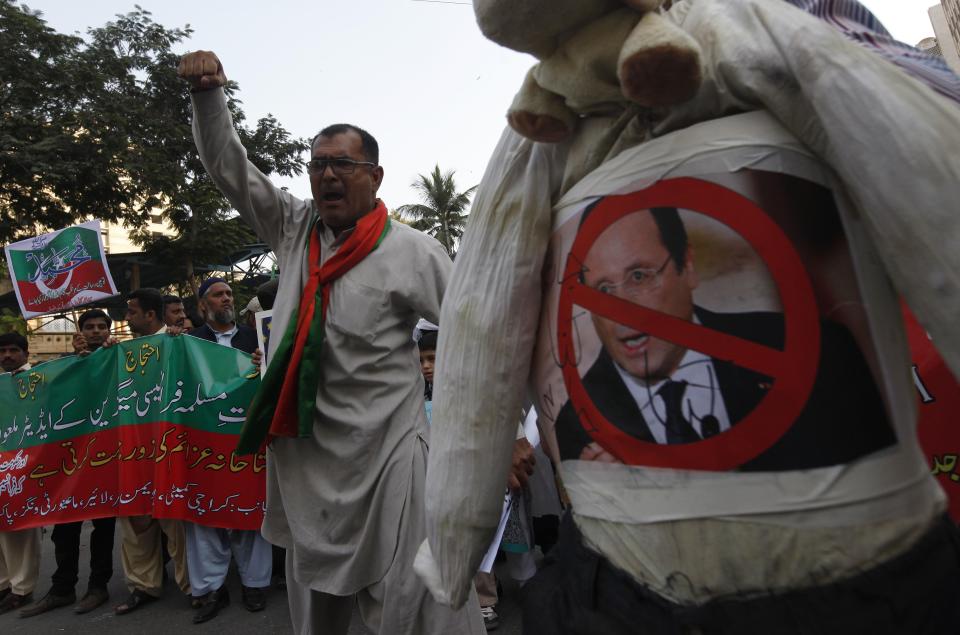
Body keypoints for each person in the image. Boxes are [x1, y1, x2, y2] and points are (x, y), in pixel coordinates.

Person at [179, 50, 484, 634]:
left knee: (417, 604)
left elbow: (477, 335)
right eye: (316, 164)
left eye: (341, 164)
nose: (325, 176)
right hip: (307, 457)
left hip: (389, 452)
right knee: (317, 605)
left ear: (375, 175)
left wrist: (500, 436)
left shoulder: (414, 251)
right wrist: (208, 97)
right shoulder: (294, 230)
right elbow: (229, 168)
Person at [553, 205, 897, 470]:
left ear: (687, 267)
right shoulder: (579, 426)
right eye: (602, 290)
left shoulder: (813, 351)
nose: (621, 310)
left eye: (639, 276)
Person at [183, 277, 271, 623]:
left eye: (229, 294)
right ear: (203, 304)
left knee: (249, 510)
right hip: (205, 442)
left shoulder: (254, 339)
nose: (226, 299)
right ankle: (211, 591)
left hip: (245, 440)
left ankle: (254, 585)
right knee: (205, 516)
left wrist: (265, 360)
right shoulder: (189, 343)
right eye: (218, 295)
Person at [20, 310, 118, 617]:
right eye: (89, 327)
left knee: (103, 525)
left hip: (105, 459)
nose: (96, 331)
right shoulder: (66, 366)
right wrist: (77, 361)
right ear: (80, 331)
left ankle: (97, 587)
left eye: (102, 327)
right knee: (65, 526)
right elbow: (45, 395)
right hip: (69, 462)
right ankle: (62, 588)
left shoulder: (120, 359)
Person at [111, 288, 192, 615]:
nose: (126, 318)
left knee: (176, 521)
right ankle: (144, 587)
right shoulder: (122, 351)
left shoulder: (178, 343)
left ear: (150, 314)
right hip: (132, 450)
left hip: (168, 447)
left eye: (131, 312)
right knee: (136, 523)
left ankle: (192, 587)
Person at [0, 333, 42, 614]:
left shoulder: (41, 378)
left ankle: (22, 589)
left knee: (22, 527)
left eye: (13, 350)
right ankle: (4, 584)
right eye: (2, 351)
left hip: (30, 463)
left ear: (26, 353)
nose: (7, 355)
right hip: (4, 463)